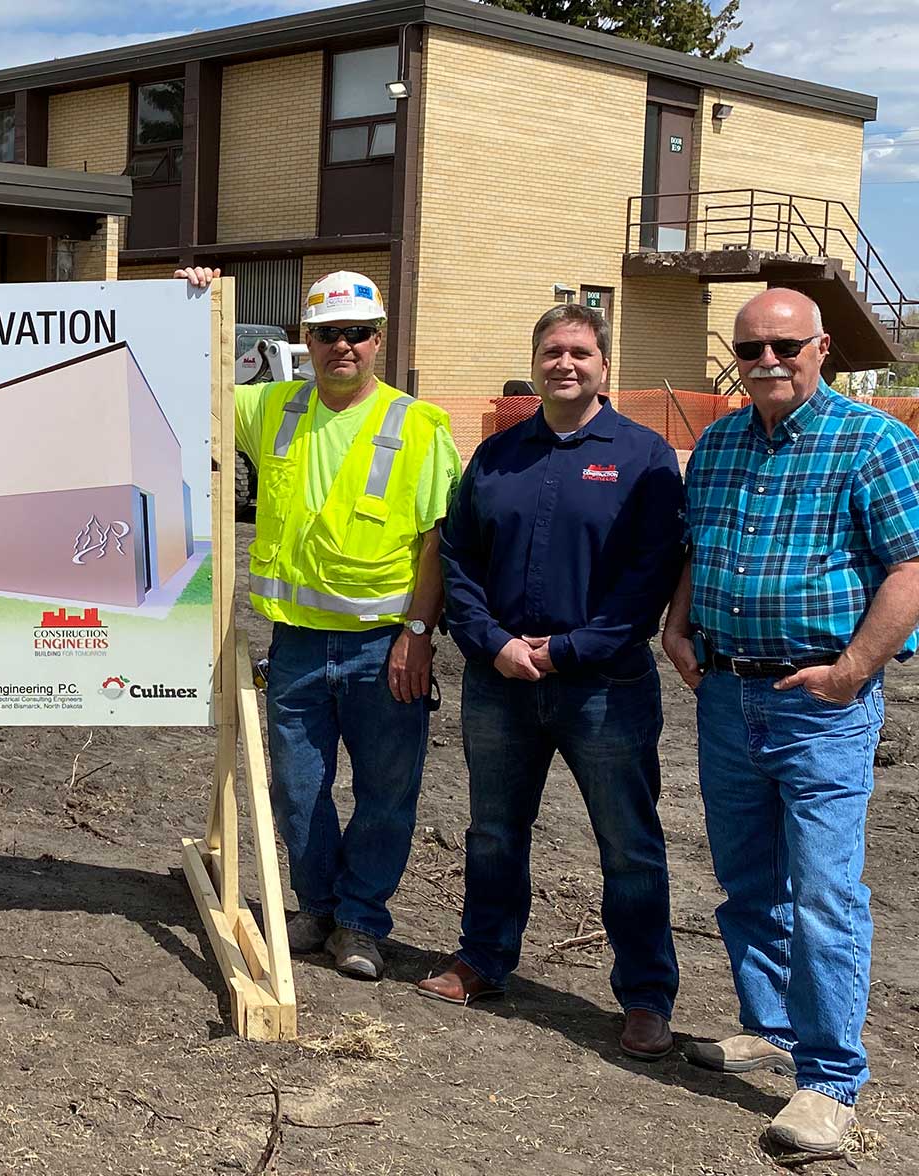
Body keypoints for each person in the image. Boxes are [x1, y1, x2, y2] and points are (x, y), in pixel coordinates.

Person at [663, 288, 919, 1158]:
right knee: (746, 880)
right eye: (751, 349)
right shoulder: (724, 442)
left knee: (824, 891)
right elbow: (703, 547)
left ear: (822, 350)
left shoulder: (876, 441)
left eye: (784, 347)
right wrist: (677, 622)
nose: (767, 362)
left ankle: (829, 1080)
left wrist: (852, 672)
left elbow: (910, 567)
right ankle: (771, 1026)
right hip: (730, 696)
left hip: (820, 707)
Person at [180, 266, 458, 980]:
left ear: (378, 339)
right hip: (297, 644)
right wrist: (196, 298)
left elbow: (439, 540)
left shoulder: (417, 425)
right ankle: (315, 905)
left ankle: (361, 922)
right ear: (305, 340)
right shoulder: (271, 407)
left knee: (385, 794)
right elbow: (187, 374)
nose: (344, 347)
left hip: (384, 646)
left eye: (358, 334)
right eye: (329, 334)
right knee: (297, 789)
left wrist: (418, 637)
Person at [423, 304, 684, 1060]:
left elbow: (651, 574)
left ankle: (644, 996)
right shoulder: (498, 456)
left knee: (629, 844)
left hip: (606, 687)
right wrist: (492, 642)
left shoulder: (643, 458)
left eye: (579, 352)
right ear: (535, 361)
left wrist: (570, 649)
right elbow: (459, 557)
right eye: (551, 351)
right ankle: (484, 959)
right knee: (494, 832)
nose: (564, 364)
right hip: (501, 683)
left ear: (605, 366)